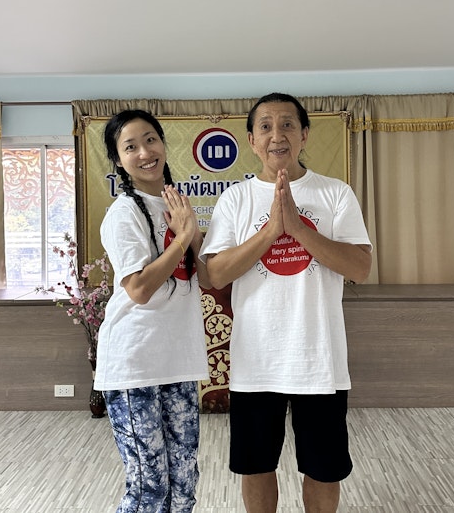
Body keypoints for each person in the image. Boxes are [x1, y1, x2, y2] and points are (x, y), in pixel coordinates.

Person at [199, 92, 372, 513]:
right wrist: (270, 231)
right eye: (265, 126)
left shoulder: (335, 193)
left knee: (324, 469)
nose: (277, 135)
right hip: (256, 362)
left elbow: (360, 267)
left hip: (319, 361)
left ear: (304, 135)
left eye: (288, 125)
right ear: (252, 140)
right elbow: (215, 274)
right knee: (256, 466)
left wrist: (297, 229)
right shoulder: (235, 199)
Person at [94, 109, 210, 513]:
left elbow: (207, 275)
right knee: (149, 487)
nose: (144, 152)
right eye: (130, 147)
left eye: (150, 140)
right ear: (118, 159)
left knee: (184, 483)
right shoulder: (123, 213)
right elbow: (140, 289)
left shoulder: (177, 204)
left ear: (162, 143)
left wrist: (191, 232)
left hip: (179, 362)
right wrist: (182, 237)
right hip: (135, 365)